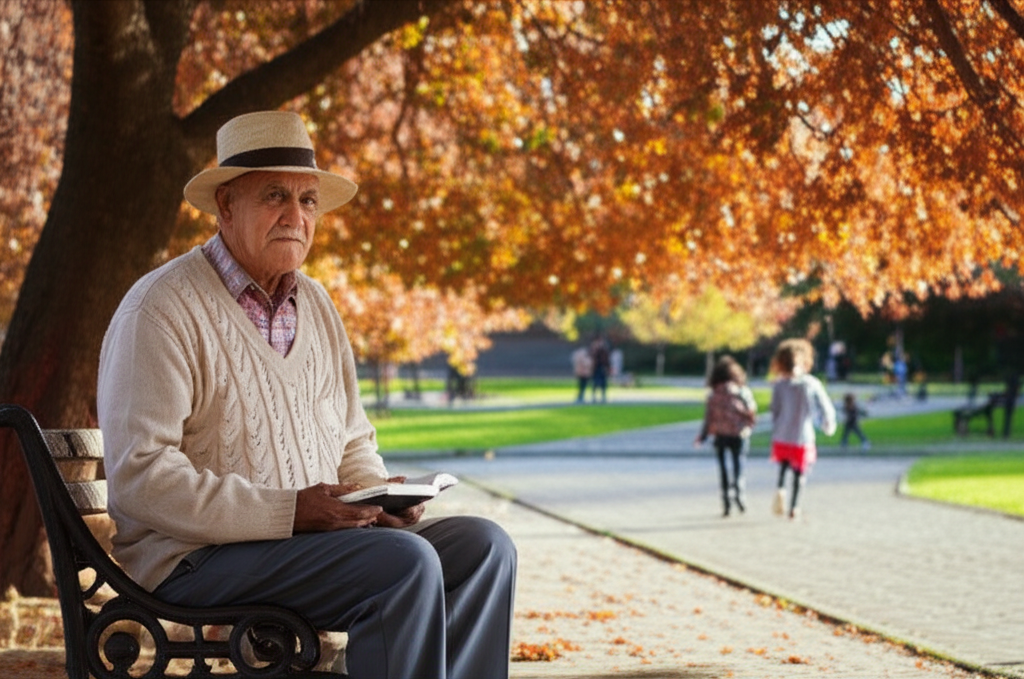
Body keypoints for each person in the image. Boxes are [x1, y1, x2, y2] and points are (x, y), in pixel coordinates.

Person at [96, 111, 516, 679]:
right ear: (225, 205)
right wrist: (291, 511)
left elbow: (351, 439)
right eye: (275, 196)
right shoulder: (162, 309)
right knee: (403, 563)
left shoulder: (316, 305)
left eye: (308, 200)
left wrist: (379, 498)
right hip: (194, 560)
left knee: (484, 549)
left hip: (306, 544)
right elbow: (142, 478)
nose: (296, 217)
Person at [768, 338, 837, 520]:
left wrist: (777, 425)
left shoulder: (780, 385)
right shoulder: (811, 383)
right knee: (799, 472)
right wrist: (828, 423)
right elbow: (825, 406)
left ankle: (780, 492)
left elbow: (774, 410)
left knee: (783, 468)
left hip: (782, 435)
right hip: (802, 435)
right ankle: (794, 507)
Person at [694, 356, 757, 517]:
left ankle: (726, 501)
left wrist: (703, 436)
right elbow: (751, 411)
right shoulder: (741, 391)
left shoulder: (714, 395)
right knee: (738, 465)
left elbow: (708, 418)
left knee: (723, 469)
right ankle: (739, 494)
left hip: (720, 435)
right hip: (739, 434)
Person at [589, 336, 611, 403]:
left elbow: (606, 360)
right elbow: (592, 357)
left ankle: (603, 396)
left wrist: (608, 367)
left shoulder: (604, 350)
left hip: (602, 368)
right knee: (595, 383)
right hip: (596, 368)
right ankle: (594, 396)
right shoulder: (594, 350)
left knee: (603, 383)